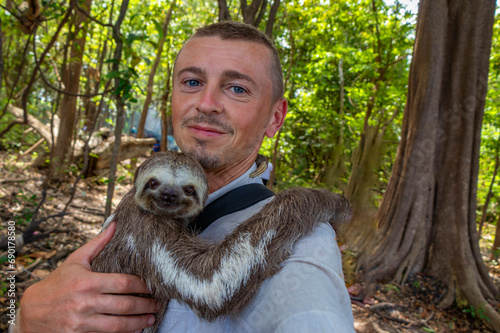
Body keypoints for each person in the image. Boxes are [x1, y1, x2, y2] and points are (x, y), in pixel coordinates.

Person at [12, 21, 354, 332]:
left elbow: (214, 290)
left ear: (275, 119)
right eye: (192, 82)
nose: (207, 103)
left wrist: (300, 204)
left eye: (236, 89)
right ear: (172, 99)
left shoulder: (306, 253)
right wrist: (26, 318)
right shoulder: (137, 209)